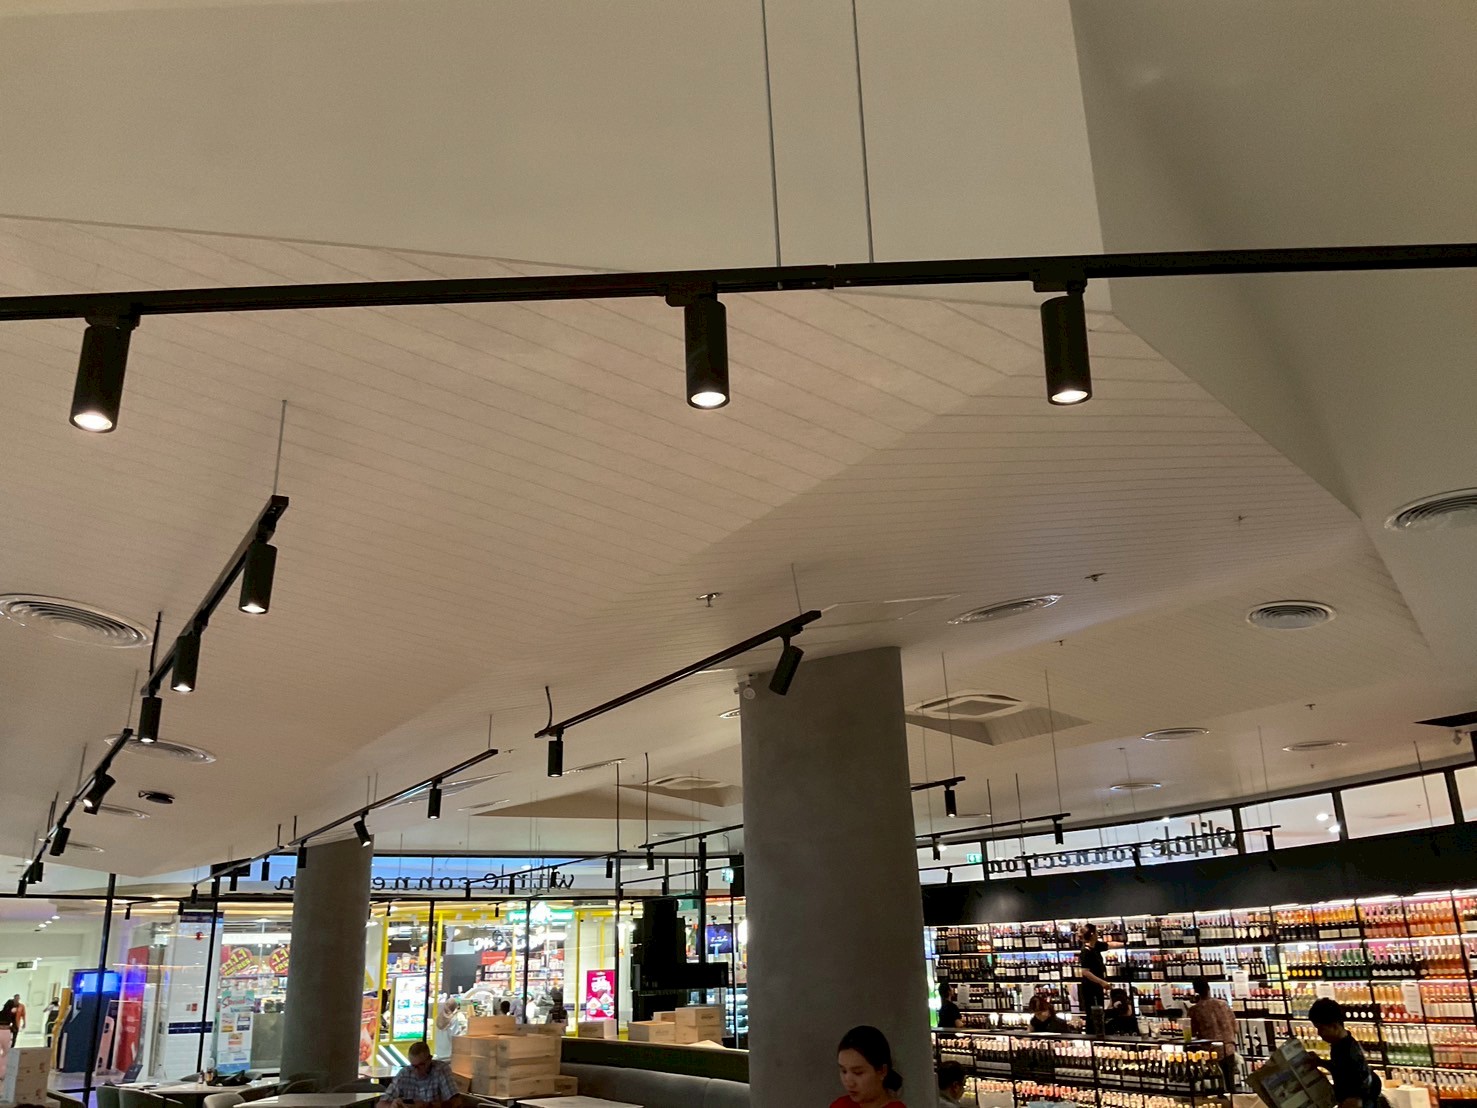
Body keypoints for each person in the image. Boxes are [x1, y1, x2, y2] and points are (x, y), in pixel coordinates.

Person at [1308, 999, 1385, 1108]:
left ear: (1334, 1026)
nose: (1319, 1033)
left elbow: (1354, 1099)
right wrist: (1321, 1062)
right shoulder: (1343, 1044)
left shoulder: (1347, 1053)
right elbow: (1339, 1068)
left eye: (1321, 1028)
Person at [832, 1024, 906, 1108]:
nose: (849, 1083)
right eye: (844, 1071)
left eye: (858, 1073)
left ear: (882, 1071)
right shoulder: (840, 1105)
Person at [381, 1040, 465, 1108]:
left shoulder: (441, 1070)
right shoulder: (404, 1074)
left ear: (430, 1059)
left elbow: (456, 1102)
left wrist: (429, 1105)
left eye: (421, 1065)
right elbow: (381, 1104)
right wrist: (391, 1106)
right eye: (413, 1066)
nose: (416, 1070)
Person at [1189, 978, 1238, 1092]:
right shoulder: (1223, 1004)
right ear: (1209, 988)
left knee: (1216, 1083)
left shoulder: (1195, 1010)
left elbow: (1192, 1032)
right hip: (1229, 1047)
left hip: (1212, 1051)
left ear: (1195, 990)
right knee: (1230, 1083)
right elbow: (1235, 1027)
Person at [1078, 924, 1110, 1035]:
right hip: (1090, 987)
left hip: (1097, 986)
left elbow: (1109, 945)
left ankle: (1099, 1034)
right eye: (1096, 932)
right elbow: (1085, 972)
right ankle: (1093, 1036)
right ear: (1092, 934)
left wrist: (1126, 943)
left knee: (1099, 1012)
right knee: (1093, 1013)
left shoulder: (1095, 946)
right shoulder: (1085, 951)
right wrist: (1102, 982)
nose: (1098, 934)